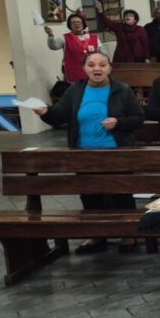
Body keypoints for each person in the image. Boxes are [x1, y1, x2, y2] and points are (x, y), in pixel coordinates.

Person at [34, 51, 144, 253]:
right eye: (91, 65)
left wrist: (119, 122)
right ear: (84, 69)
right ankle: (96, 234)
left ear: (110, 68)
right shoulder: (75, 90)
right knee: (90, 195)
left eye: (102, 64)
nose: (97, 68)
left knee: (120, 194)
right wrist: (45, 112)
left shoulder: (122, 89)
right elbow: (58, 116)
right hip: (84, 154)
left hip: (115, 152)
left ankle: (128, 233)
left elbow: (138, 119)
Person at [45, 13, 106, 83]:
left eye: (78, 22)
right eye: (73, 23)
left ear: (83, 24)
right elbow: (53, 46)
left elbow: (103, 54)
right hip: (74, 75)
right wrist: (50, 35)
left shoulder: (94, 38)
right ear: (70, 25)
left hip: (92, 74)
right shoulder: (65, 38)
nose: (77, 24)